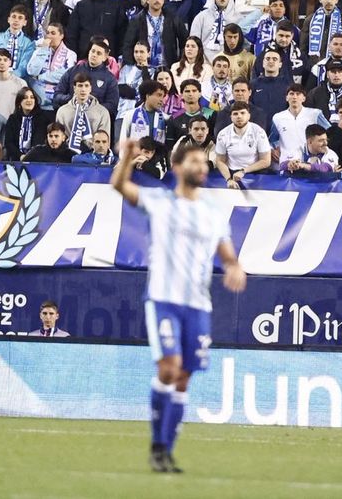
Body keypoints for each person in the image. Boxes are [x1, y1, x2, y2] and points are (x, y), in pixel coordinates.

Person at [110, 135, 246, 474]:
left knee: (184, 378)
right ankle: (157, 445)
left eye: (204, 162)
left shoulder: (213, 214)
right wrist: (126, 157)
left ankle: (166, 452)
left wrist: (234, 266)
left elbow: (226, 252)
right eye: (195, 162)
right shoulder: (159, 200)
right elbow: (119, 185)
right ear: (177, 167)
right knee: (168, 369)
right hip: (164, 298)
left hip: (198, 304)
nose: (201, 167)